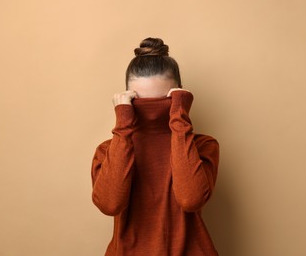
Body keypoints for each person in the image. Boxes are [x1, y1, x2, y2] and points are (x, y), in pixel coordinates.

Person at [91, 37, 220, 255]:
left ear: (179, 96)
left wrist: (178, 116)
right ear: (126, 100)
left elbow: (191, 199)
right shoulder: (108, 151)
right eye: (140, 103)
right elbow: (110, 204)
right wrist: (123, 125)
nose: (152, 112)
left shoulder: (203, 146)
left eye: (163, 102)